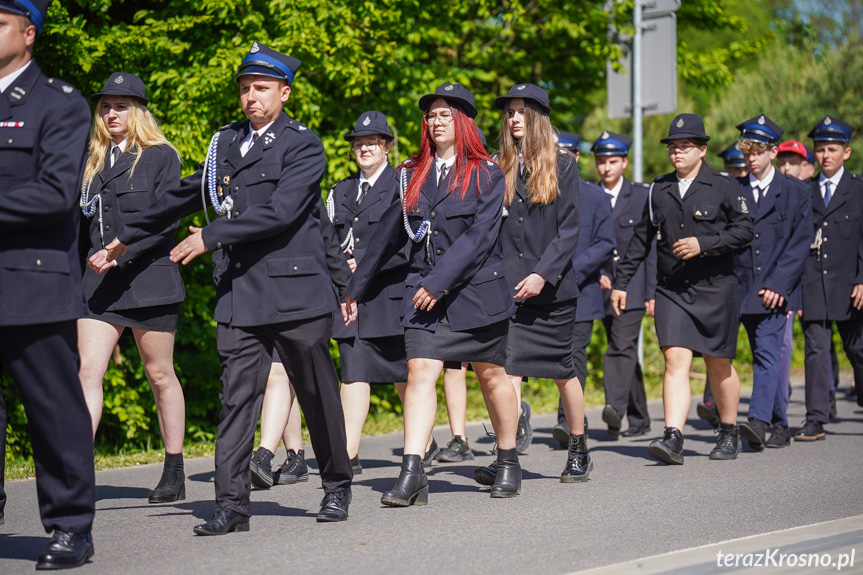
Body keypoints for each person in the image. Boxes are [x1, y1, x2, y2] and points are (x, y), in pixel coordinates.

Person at [105, 42, 353, 528]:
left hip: (295, 294)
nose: (251, 97)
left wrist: (212, 237)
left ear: (285, 91)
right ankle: (232, 505)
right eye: (244, 88)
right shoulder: (226, 144)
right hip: (241, 295)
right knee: (236, 400)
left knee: (317, 393)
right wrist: (124, 238)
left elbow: (281, 211)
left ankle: (336, 486)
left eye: (261, 88)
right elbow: (181, 195)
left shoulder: (303, 144)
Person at [345, 83, 521, 503]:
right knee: (421, 371)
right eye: (431, 115)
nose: (437, 121)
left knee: (491, 376)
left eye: (445, 114)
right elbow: (388, 233)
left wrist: (437, 283)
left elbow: (479, 238)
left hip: (474, 294)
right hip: (423, 294)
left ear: (463, 122)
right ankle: (413, 472)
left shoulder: (487, 173)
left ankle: (509, 459)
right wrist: (354, 288)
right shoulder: (411, 173)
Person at [0, 0, 96, 568]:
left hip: (30, 283)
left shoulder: (56, 103)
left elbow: (55, 193)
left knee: (53, 410)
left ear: (28, 33)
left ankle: (70, 527)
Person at [610, 113, 754, 465]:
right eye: (673, 147)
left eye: (685, 146)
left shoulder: (723, 184)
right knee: (675, 359)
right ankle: (673, 436)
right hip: (672, 289)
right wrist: (622, 283)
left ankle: (729, 430)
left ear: (702, 150)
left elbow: (745, 230)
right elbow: (640, 241)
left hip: (716, 287)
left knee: (718, 364)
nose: (677, 152)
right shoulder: (658, 189)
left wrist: (704, 244)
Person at [79, 72, 187, 502]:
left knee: (160, 375)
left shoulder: (161, 156)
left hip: (150, 280)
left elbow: (167, 224)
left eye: (120, 106)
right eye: (105, 106)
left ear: (138, 111)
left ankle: (174, 469)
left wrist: (118, 252)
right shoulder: (90, 161)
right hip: (99, 283)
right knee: (87, 371)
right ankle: (77, 469)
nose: (111, 114)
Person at [493, 83, 589, 481]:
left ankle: (580, 448)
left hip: (552, 291)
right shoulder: (498, 165)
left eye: (521, 111)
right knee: (506, 371)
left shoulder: (563, 164)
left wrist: (541, 274)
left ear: (537, 117)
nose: (513, 118)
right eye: (510, 112)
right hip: (509, 290)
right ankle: (506, 456)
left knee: (562, 372)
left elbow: (569, 231)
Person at [732, 115, 812, 450]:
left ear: (773, 152)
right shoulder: (734, 189)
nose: (752, 158)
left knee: (766, 354)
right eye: (748, 152)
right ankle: (780, 423)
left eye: (759, 151)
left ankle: (758, 420)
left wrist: (780, 285)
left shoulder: (795, 192)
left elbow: (800, 242)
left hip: (775, 292)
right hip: (741, 289)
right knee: (759, 355)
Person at [797, 115, 863, 441]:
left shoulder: (859, 190)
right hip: (812, 285)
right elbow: (795, 243)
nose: (825, 156)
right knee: (816, 352)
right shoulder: (803, 192)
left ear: (846, 153)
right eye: (820, 149)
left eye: (832, 149)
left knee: (858, 349)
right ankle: (815, 419)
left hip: (851, 286)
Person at [593, 131, 656, 438]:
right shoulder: (591, 195)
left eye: (613, 161)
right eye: (602, 162)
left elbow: (652, 248)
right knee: (625, 349)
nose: (607, 168)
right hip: (603, 288)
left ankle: (615, 408)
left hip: (634, 287)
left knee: (620, 345)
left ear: (625, 162)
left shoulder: (642, 196)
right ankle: (641, 418)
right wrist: (599, 272)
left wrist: (653, 290)